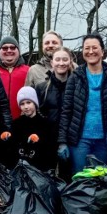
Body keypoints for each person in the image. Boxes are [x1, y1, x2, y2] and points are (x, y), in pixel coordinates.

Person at [58, 34, 107, 174]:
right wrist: (62, 142)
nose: (90, 51)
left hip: (104, 141)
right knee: (81, 180)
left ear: (102, 51)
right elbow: (66, 110)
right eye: (87, 48)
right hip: (80, 141)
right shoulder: (75, 77)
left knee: (103, 181)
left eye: (94, 47)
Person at [35, 47, 76, 180]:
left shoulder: (77, 86)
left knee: (68, 178)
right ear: (52, 63)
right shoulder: (42, 88)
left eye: (65, 59)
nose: (61, 63)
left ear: (70, 62)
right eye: (57, 59)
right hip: (48, 140)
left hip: (71, 140)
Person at [0, 86, 56, 171]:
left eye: (28, 102)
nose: (25, 107)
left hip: (39, 171)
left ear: (35, 103)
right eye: (22, 104)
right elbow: (11, 149)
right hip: (19, 170)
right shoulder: (16, 124)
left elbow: (50, 150)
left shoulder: (45, 124)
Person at [0, 36, 30, 119]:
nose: (9, 50)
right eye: (4, 48)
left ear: (18, 51)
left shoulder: (29, 71)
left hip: (22, 121)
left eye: (12, 47)